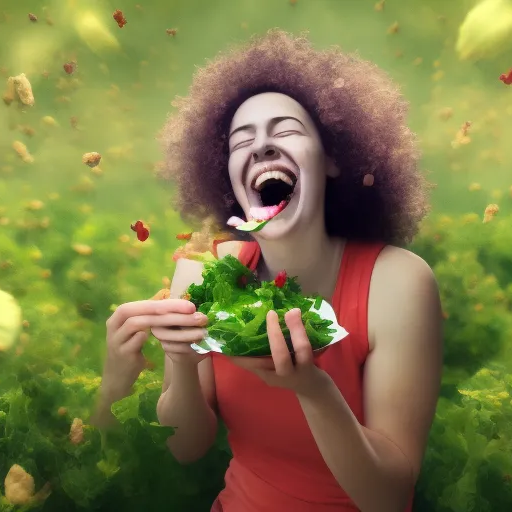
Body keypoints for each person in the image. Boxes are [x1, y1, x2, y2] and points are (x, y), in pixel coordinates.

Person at [99, 29, 443, 512]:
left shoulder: (399, 282)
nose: (261, 147)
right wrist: (180, 358)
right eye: (243, 140)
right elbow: (186, 447)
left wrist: (314, 390)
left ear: (332, 162)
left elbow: (388, 497)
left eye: (285, 131)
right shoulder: (201, 274)